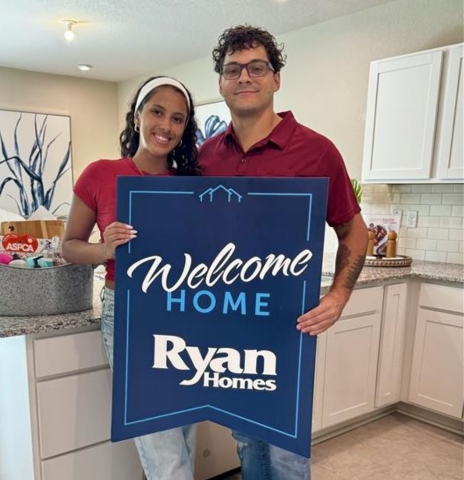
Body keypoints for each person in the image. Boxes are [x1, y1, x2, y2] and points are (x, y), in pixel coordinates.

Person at [198, 25, 368, 480]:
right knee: (246, 437)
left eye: (257, 67)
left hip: (287, 325)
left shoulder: (316, 151)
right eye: (233, 69)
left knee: (287, 450)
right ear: (220, 82)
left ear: (276, 78)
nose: (245, 77)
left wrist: (337, 298)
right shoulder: (204, 157)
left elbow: (354, 232)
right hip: (227, 321)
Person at [61, 76, 201, 480]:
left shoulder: (193, 184)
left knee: (185, 433)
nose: (166, 126)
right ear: (138, 115)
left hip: (188, 311)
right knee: (163, 444)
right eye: (157, 112)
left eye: (178, 118)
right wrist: (106, 250)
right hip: (130, 314)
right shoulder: (101, 174)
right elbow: (70, 245)